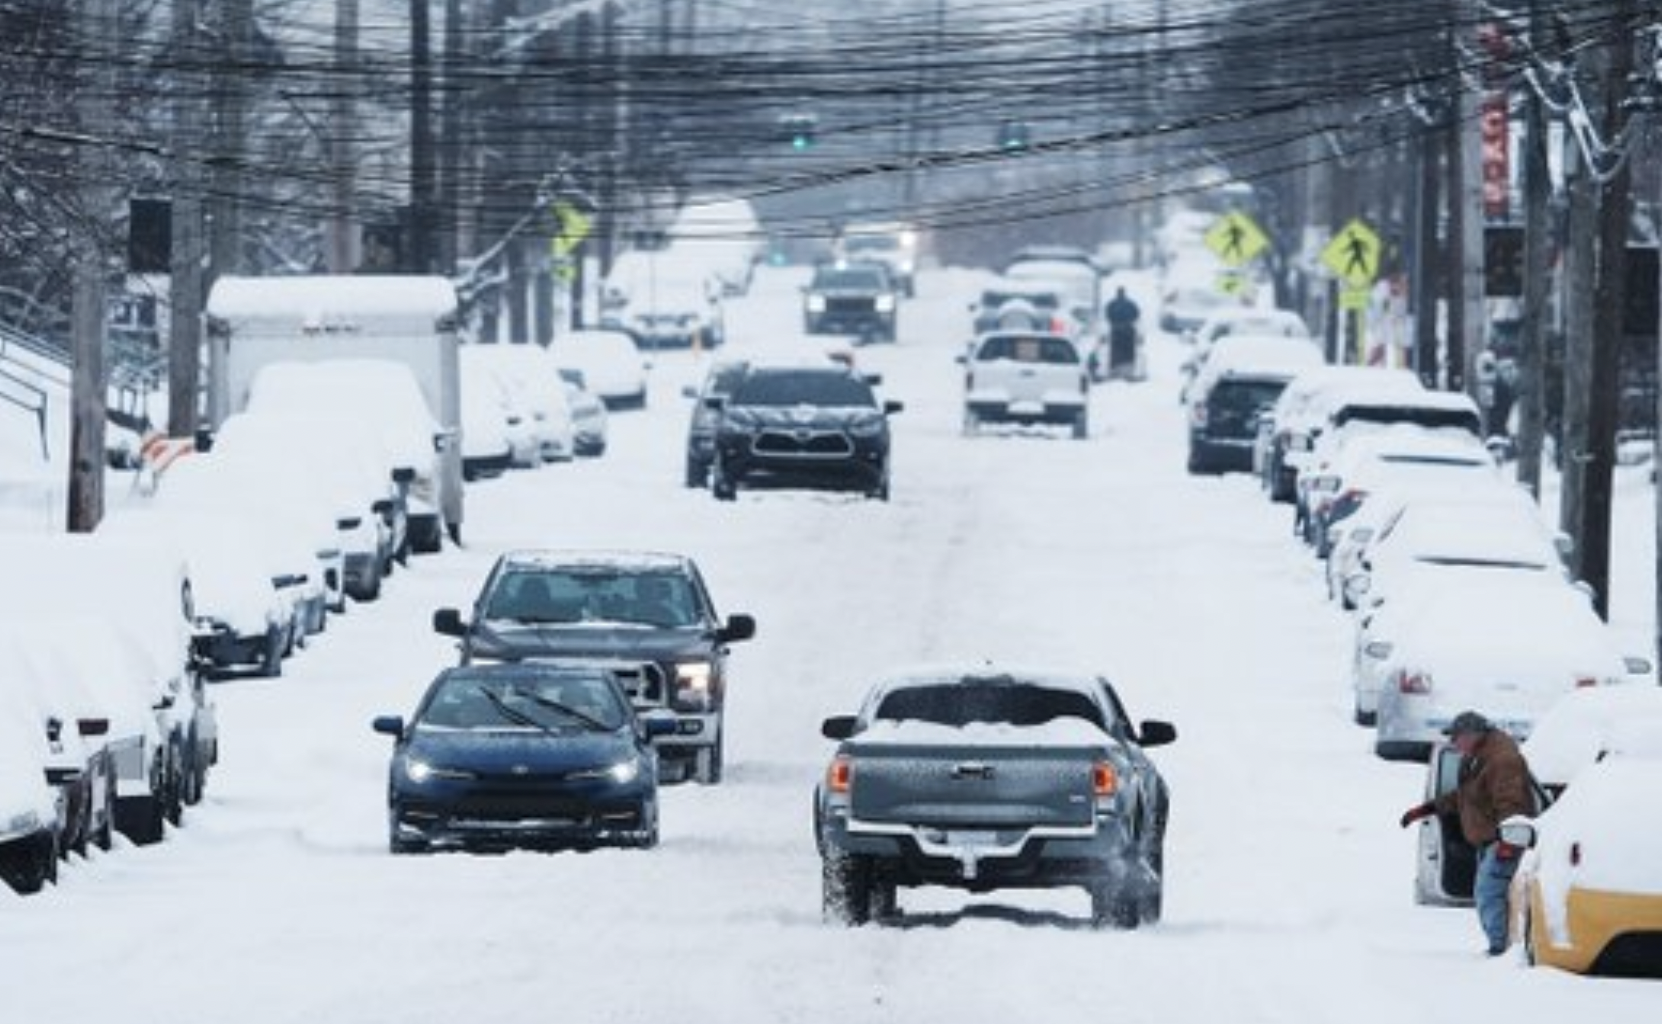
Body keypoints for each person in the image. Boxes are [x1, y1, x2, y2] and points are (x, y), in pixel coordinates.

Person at [1399, 711, 1536, 956]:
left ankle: (1500, 950)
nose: (1453, 743)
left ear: (1473, 735)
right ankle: (1502, 945)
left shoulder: (1502, 760)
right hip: (1487, 842)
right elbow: (1465, 797)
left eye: (1456, 737)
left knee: (1488, 893)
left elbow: (1512, 803)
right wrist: (1428, 808)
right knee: (1489, 894)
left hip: (1502, 841)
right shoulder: (1476, 758)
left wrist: (1509, 841)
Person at [1105, 286, 1140, 374]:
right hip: (1127, 329)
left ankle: (1115, 364)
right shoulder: (1130, 304)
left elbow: (1107, 314)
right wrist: (1130, 322)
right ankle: (1128, 363)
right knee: (1128, 348)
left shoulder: (1112, 304)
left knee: (1115, 348)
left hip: (1116, 328)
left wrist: (1113, 322)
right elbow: (1137, 314)